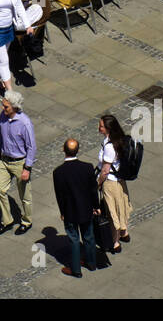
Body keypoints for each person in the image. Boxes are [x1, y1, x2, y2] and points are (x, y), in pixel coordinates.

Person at [53, 138, 100, 277]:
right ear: (78, 150)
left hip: (70, 211)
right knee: (89, 237)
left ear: (64, 150)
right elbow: (93, 190)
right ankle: (92, 263)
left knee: (73, 239)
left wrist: (62, 212)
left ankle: (75, 269)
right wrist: (96, 206)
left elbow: (59, 195)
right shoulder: (87, 167)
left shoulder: (58, 172)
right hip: (86, 209)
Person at [0, 89, 35, 235]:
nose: (3, 108)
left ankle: (26, 221)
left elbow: (31, 147)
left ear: (15, 107)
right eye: (3, 105)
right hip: (5, 161)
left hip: (19, 163)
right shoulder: (2, 117)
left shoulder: (25, 123)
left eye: (6, 107)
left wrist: (27, 168)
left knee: (25, 196)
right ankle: (7, 220)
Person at [96, 114, 133, 254]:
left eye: (101, 126)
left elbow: (105, 170)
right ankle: (124, 232)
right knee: (121, 207)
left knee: (112, 213)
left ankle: (115, 242)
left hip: (110, 183)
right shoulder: (119, 139)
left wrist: (98, 184)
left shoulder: (110, 147)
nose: (99, 128)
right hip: (119, 180)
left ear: (108, 128)